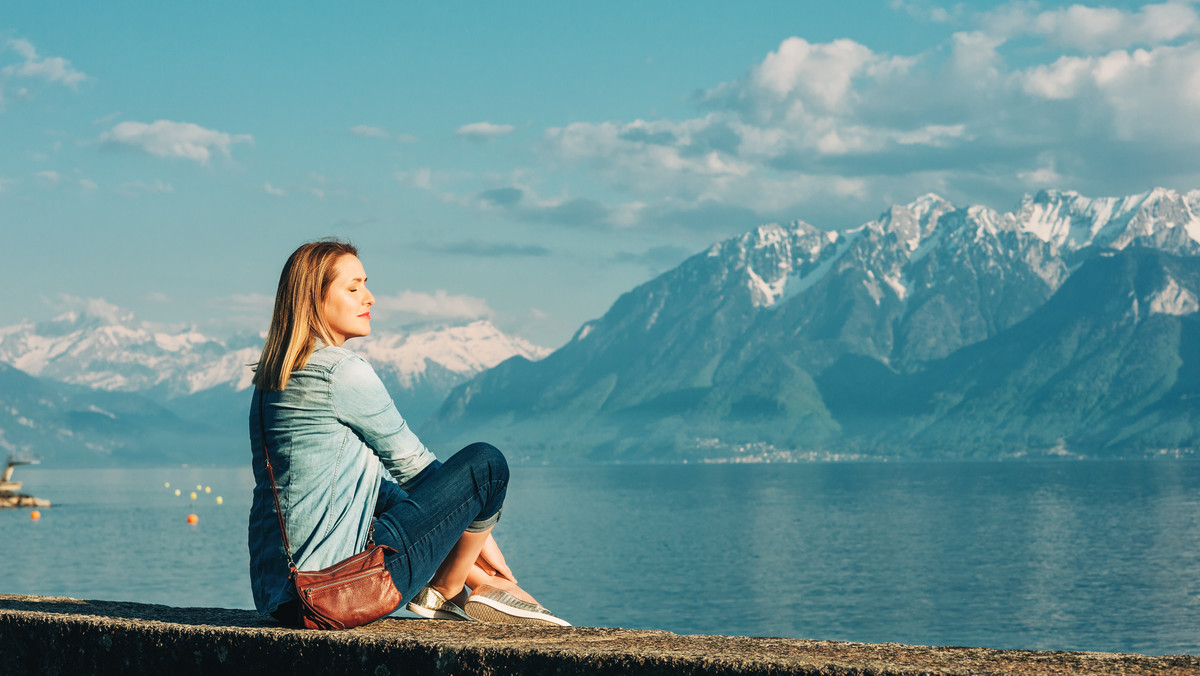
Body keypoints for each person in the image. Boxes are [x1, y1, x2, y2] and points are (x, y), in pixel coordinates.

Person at [247, 238, 568, 627]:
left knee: (396, 498)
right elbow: (418, 470)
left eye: (366, 283)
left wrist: (475, 564)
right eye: (353, 288)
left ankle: (473, 584)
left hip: (278, 597)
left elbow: (379, 490)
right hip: (335, 591)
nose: (370, 297)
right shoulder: (341, 372)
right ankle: (447, 590)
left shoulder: (271, 382)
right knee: (487, 466)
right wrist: (478, 536)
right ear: (314, 299)